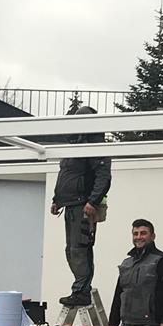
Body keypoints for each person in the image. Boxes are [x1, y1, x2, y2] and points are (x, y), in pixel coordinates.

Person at [50, 104, 111, 307]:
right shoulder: (74, 146)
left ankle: (81, 291)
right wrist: (57, 200)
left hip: (83, 206)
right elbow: (66, 175)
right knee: (71, 250)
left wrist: (93, 201)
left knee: (80, 249)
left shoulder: (95, 146)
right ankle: (79, 288)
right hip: (70, 205)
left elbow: (103, 176)